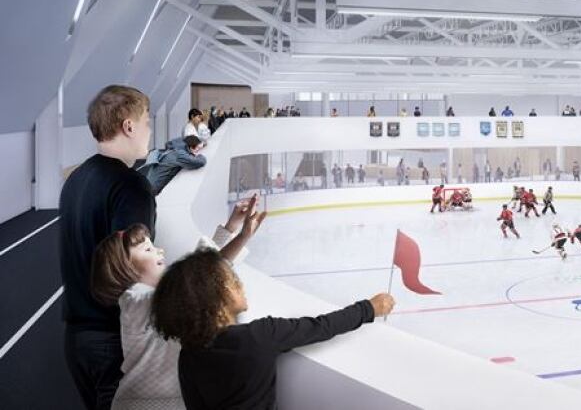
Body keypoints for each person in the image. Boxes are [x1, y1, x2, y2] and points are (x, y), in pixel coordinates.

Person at [150, 248, 394, 410]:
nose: (240, 284)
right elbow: (322, 326)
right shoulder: (260, 335)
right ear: (219, 296)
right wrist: (369, 308)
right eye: (233, 281)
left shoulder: (189, 354)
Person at [91, 198, 264, 410]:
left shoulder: (165, 298)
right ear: (127, 269)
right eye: (147, 250)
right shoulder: (132, 300)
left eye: (153, 246)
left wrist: (231, 228)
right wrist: (242, 236)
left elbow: (202, 271)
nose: (159, 251)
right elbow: (200, 274)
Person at [60, 85, 156, 410]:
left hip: (76, 341)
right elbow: (134, 269)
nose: (149, 130)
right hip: (112, 341)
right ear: (129, 126)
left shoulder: (75, 180)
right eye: (147, 121)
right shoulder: (132, 186)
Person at [140, 136, 206, 195]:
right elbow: (198, 162)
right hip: (152, 189)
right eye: (197, 148)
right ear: (191, 147)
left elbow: (201, 139)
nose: (198, 150)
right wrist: (200, 156)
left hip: (147, 184)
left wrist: (202, 143)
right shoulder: (179, 155)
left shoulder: (175, 148)